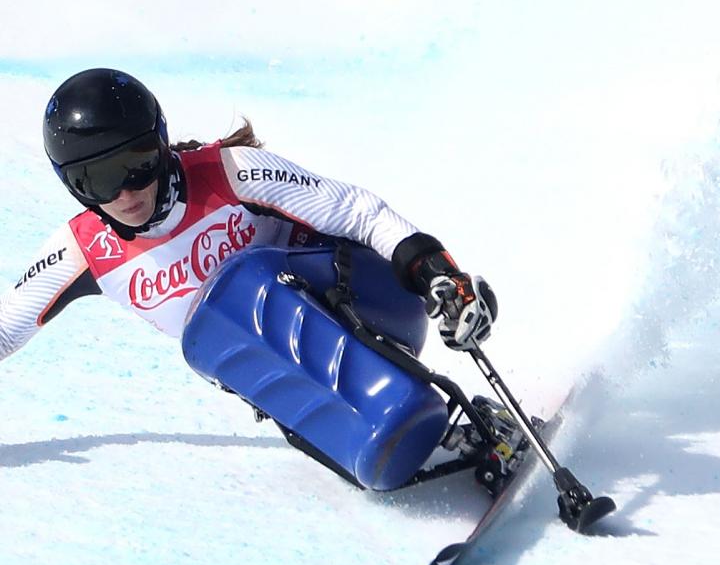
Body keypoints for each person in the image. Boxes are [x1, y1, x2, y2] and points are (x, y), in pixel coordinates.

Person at [0, 68, 496, 370]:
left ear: (162, 144)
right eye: (97, 180)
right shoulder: (84, 250)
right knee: (215, 336)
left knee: (249, 281)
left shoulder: (230, 172)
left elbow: (357, 212)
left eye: (137, 163)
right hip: (291, 376)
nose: (125, 191)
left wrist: (436, 271)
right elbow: (5, 328)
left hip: (371, 305)